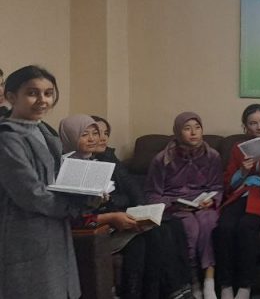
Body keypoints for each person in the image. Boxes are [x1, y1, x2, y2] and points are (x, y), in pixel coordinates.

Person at [63, 114, 193, 299]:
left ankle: (171, 290)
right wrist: (111, 216)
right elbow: (75, 216)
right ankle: (173, 291)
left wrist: (109, 205)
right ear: (70, 137)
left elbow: (122, 193)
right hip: (94, 231)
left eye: (96, 133)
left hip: (111, 222)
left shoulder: (96, 162)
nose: (94, 139)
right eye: (85, 134)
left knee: (155, 234)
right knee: (152, 235)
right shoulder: (69, 169)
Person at [0, 66, 90, 299]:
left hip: (54, 228)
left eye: (48, 93)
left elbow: (59, 179)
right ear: (11, 97)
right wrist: (71, 207)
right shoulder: (7, 137)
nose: (42, 100)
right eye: (32, 93)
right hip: (25, 231)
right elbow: (30, 193)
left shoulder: (44, 132)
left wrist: (89, 194)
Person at [145, 112, 223, 299]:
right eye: (187, 129)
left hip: (203, 203)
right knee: (190, 228)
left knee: (209, 223)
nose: (193, 133)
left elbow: (217, 187)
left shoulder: (212, 155)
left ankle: (209, 281)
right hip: (175, 206)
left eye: (197, 128)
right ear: (178, 132)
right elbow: (152, 193)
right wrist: (172, 204)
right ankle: (192, 280)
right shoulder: (162, 159)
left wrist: (212, 200)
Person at [214, 104, 260, 299]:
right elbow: (228, 183)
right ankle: (226, 284)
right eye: (253, 123)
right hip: (241, 194)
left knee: (247, 226)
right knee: (224, 227)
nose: (259, 127)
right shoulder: (238, 147)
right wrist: (243, 172)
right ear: (245, 126)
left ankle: (245, 286)